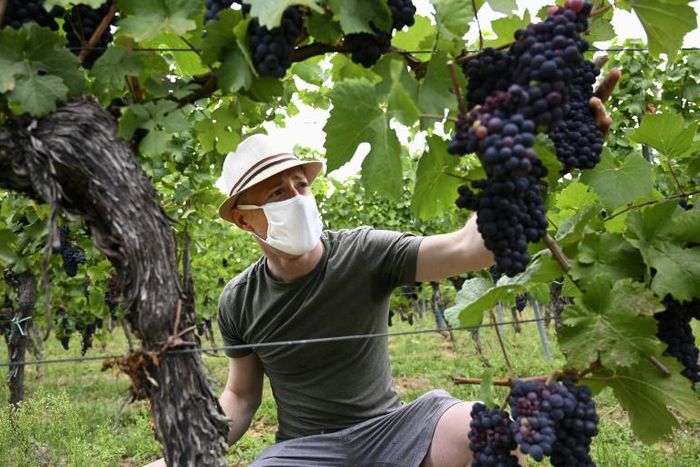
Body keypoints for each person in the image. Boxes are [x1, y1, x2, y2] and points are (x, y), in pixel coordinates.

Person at [146, 65, 619, 467]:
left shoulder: (364, 251)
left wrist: (540, 157)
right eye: (276, 193)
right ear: (245, 221)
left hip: (394, 428)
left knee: (485, 433)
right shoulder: (239, 300)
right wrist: (182, 455)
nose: (295, 198)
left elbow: (470, 247)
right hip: (307, 451)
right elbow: (242, 398)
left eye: (300, 185)